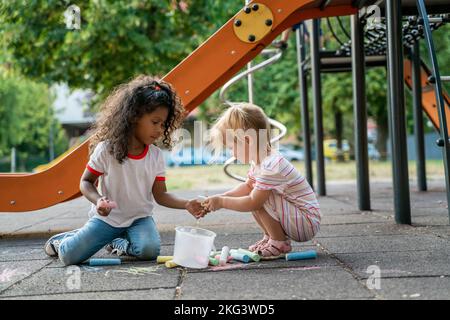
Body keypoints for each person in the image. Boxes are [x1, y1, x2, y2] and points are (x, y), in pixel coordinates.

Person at [44, 75, 204, 266]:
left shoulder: (155, 155)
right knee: (69, 257)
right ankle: (64, 240)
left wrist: (186, 204)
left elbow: (161, 196)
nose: (160, 130)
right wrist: (98, 201)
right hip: (108, 218)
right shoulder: (106, 149)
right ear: (134, 116)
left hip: (139, 219)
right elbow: (85, 182)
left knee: (149, 250)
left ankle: (117, 242)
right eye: (155, 122)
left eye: (163, 124)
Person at [202, 103, 321, 259]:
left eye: (232, 147)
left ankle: (278, 242)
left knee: (257, 197)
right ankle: (271, 237)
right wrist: (220, 197)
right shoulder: (260, 161)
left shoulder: (272, 165)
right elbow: (247, 186)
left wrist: (223, 202)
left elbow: (254, 202)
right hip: (297, 218)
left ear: (247, 140)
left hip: (306, 222)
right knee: (255, 191)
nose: (232, 153)